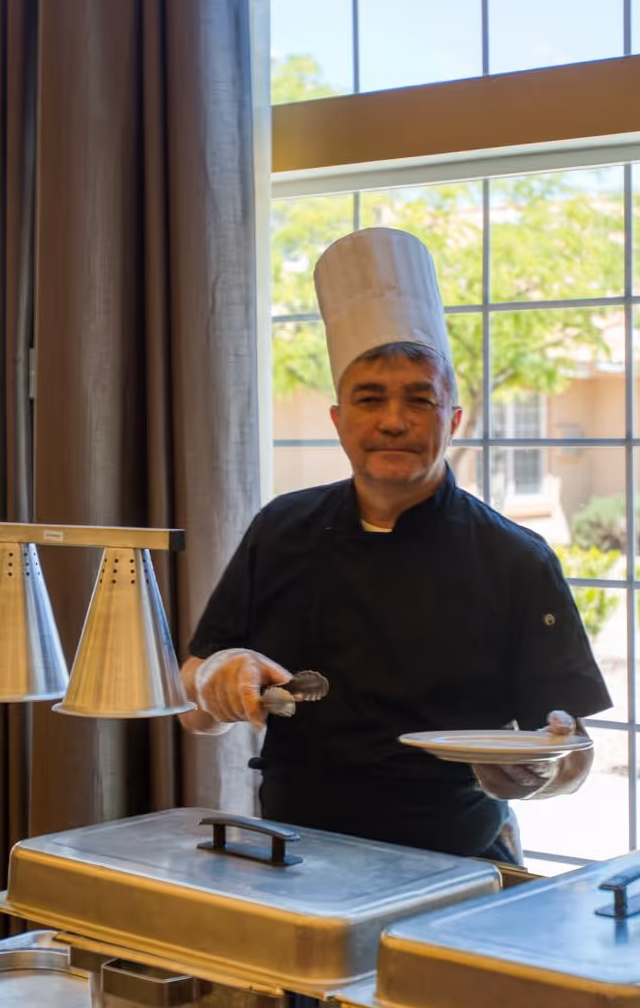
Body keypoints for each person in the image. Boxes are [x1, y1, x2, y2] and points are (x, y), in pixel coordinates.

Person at [178, 227, 612, 862]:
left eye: (420, 399)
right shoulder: (280, 528)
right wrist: (214, 677)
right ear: (338, 419)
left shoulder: (515, 558)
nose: (393, 420)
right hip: (293, 861)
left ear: (453, 420)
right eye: (370, 398)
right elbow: (196, 705)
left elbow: (574, 751)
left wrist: (545, 772)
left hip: (456, 865)